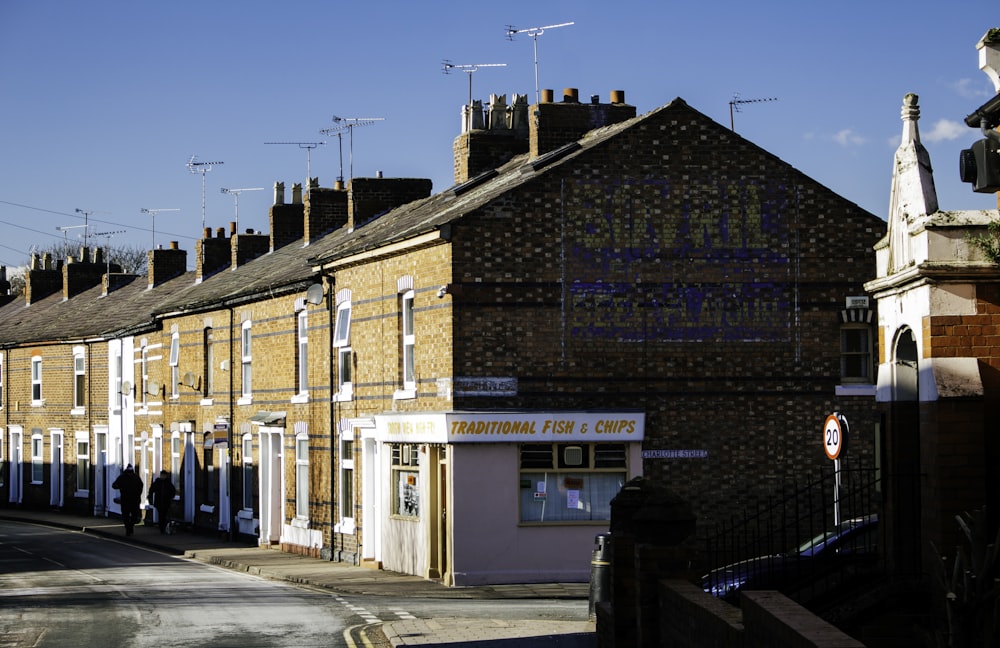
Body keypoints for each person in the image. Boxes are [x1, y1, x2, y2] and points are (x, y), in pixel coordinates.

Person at [111, 464, 144, 536]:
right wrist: (120, 487)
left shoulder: (136, 477)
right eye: (129, 472)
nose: (130, 473)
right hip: (125, 500)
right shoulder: (122, 477)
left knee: (135, 516)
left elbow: (141, 485)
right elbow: (114, 485)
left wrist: (138, 493)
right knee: (125, 516)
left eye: (131, 472)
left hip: (135, 499)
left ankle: (130, 526)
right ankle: (128, 529)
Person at [148, 470, 176, 534]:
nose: (162, 476)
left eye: (164, 475)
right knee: (161, 515)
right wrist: (150, 497)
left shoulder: (168, 483)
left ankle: (163, 527)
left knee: (164, 515)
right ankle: (162, 528)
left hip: (166, 502)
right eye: (161, 475)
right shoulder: (157, 482)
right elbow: (151, 490)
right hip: (159, 502)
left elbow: (173, 491)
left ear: (166, 476)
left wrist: (171, 496)